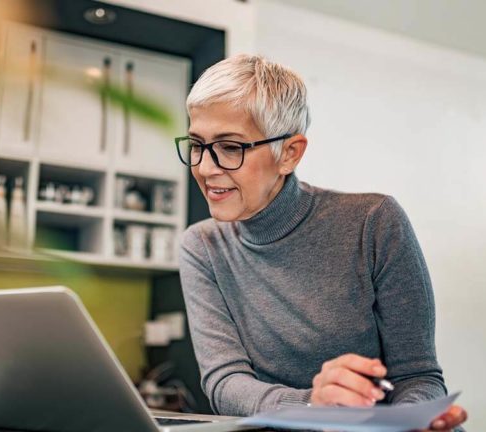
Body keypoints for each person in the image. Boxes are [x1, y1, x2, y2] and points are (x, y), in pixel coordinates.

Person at [176, 54, 468, 431]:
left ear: (290, 154)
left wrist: (406, 420)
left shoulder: (373, 221)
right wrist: (313, 404)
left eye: (230, 147)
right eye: (197, 144)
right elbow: (225, 382)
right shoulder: (203, 247)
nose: (204, 167)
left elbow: (420, 376)